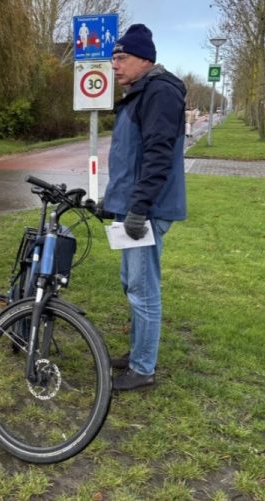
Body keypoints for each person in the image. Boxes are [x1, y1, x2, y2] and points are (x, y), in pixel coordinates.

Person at [100, 25, 187, 390]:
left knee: (143, 288)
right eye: (113, 58)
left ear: (145, 60)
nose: (115, 66)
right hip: (132, 205)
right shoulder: (140, 92)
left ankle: (142, 369)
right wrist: (113, 200)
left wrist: (137, 208)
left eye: (122, 58)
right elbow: (129, 155)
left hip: (146, 210)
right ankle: (137, 353)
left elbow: (156, 156)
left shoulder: (159, 93)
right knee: (130, 282)